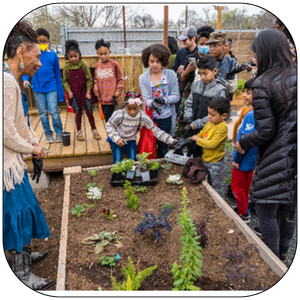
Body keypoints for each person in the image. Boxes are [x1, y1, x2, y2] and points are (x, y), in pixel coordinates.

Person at [235, 29, 296, 260]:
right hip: (293, 154)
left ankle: (271, 259)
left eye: (256, 54)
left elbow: (266, 131)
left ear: (266, 52)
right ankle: (282, 253)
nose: (255, 59)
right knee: (288, 209)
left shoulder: (263, 84)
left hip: (276, 157)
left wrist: (243, 141)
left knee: (265, 207)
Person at [4, 20, 53, 290]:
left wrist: (34, 142)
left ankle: (20, 257)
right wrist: (30, 148)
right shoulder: (5, 82)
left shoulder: (13, 80)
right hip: (6, 167)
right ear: (21, 52)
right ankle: (21, 274)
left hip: (13, 162)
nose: (40, 63)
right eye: (36, 57)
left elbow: (20, 124)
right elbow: (5, 131)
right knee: (17, 211)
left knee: (20, 209)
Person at [106, 91, 177, 164]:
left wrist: (171, 140)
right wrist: (117, 138)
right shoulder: (119, 114)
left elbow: (156, 131)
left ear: (140, 106)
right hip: (118, 138)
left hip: (131, 139)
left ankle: (130, 174)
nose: (132, 112)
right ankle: (117, 174)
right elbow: (109, 126)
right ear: (125, 105)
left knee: (132, 162)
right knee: (117, 162)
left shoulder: (142, 117)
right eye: (129, 109)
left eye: (135, 108)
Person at [22, 27, 64, 143]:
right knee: (43, 112)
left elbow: (57, 75)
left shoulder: (53, 55)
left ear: (48, 41)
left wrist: (60, 94)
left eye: (44, 41)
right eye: (39, 41)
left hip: (51, 87)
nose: (42, 43)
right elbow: (26, 69)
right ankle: (48, 133)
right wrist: (25, 79)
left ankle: (59, 132)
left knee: (54, 110)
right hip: (37, 88)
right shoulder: (31, 55)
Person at [139, 43, 180, 158]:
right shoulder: (143, 78)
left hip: (166, 117)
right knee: (150, 145)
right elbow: (145, 99)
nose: (155, 64)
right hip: (151, 119)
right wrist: (152, 104)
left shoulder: (171, 75)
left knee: (163, 146)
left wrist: (165, 100)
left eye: (158, 61)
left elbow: (176, 96)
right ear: (147, 61)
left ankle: (164, 167)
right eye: (152, 61)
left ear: (163, 61)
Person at [191, 97, 230, 199]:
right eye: (208, 113)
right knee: (207, 181)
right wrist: (191, 138)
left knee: (216, 185)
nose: (209, 117)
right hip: (206, 159)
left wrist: (197, 140)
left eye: (213, 115)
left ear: (224, 116)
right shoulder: (209, 123)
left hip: (215, 162)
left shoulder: (222, 127)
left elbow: (212, 144)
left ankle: (221, 205)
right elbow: (200, 134)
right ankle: (210, 200)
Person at [62, 39, 101, 141]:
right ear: (67, 56)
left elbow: (89, 79)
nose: (73, 58)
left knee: (89, 112)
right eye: (71, 57)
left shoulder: (83, 64)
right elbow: (65, 81)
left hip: (85, 93)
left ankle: (94, 130)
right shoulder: (66, 66)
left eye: (75, 56)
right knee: (78, 113)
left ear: (79, 54)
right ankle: (79, 132)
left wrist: (88, 92)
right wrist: (69, 91)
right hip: (75, 94)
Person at [231, 78, 258, 223]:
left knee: (237, 187)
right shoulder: (258, 113)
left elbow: (243, 142)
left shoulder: (251, 115)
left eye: (248, 93)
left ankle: (243, 214)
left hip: (243, 160)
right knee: (246, 187)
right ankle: (245, 208)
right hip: (251, 160)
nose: (244, 95)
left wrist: (236, 160)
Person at [182, 55, 227, 139]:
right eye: (200, 73)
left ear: (214, 71)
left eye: (205, 74)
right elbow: (189, 102)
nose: (202, 77)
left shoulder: (220, 89)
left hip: (209, 131)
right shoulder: (195, 85)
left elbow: (217, 114)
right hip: (192, 127)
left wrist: (196, 124)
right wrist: (188, 114)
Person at [205, 31, 239, 121]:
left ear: (224, 45)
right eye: (210, 46)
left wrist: (230, 78)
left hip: (221, 108)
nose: (211, 49)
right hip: (205, 105)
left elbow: (232, 89)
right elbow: (198, 82)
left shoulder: (232, 63)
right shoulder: (205, 61)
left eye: (215, 46)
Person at [93, 39, 124, 122]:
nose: (103, 56)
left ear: (109, 52)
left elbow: (120, 79)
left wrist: (118, 90)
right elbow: (95, 80)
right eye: (101, 54)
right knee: (107, 118)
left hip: (112, 97)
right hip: (102, 97)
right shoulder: (97, 65)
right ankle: (112, 133)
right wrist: (96, 90)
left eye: (105, 54)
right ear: (97, 54)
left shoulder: (114, 64)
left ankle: (111, 134)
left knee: (108, 117)